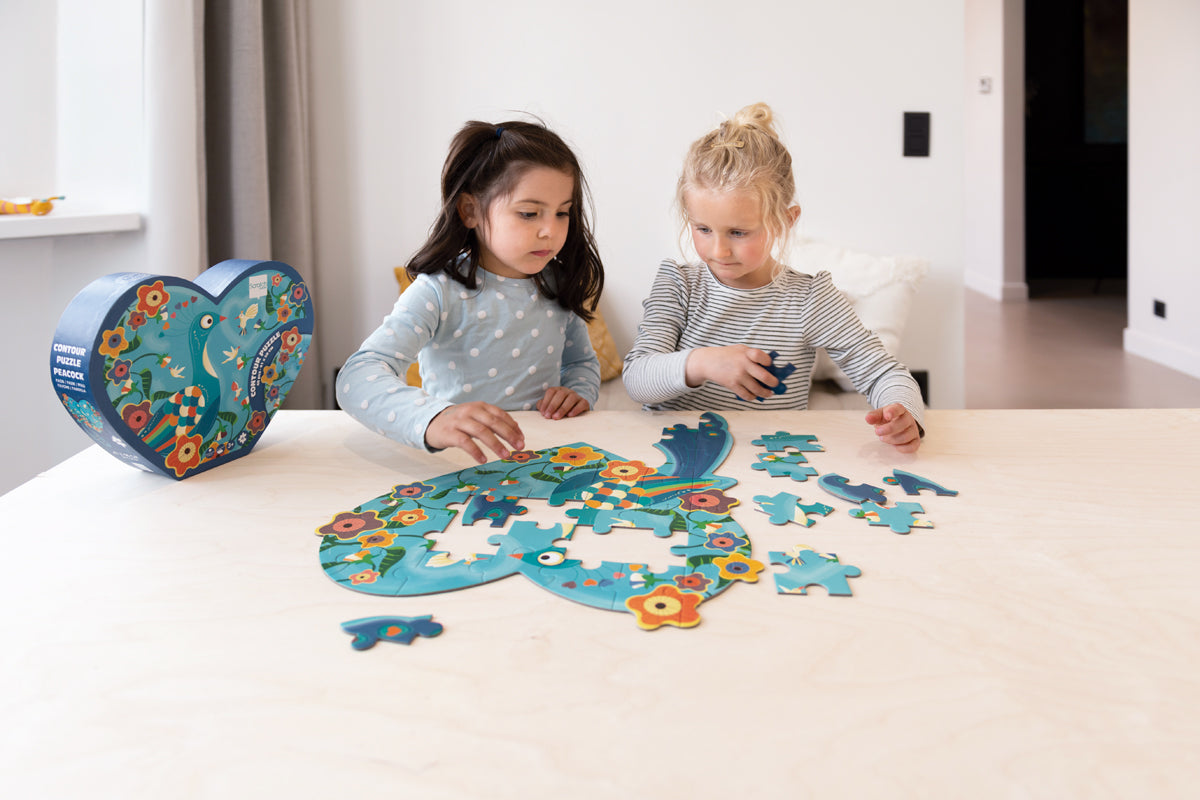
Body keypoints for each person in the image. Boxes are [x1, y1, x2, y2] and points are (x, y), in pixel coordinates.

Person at [622, 103, 924, 452]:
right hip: (675, 457)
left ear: (785, 221)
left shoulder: (812, 298)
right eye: (703, 229)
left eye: (738, 232)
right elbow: (637, 379)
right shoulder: (678, 285)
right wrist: (703, 362)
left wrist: (905, 414)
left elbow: (884, 372)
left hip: (771, 462)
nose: (719, 250)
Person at [337, 119, 605, 463]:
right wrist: (432, 418)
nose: (550, 231)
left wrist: (577, 392)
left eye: (562, 213)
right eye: (529, 213)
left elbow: (581, 363)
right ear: (470, 211)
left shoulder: (557, 283)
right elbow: (356, 378)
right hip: (460, 463)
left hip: (546, 459)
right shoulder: (438, 290)